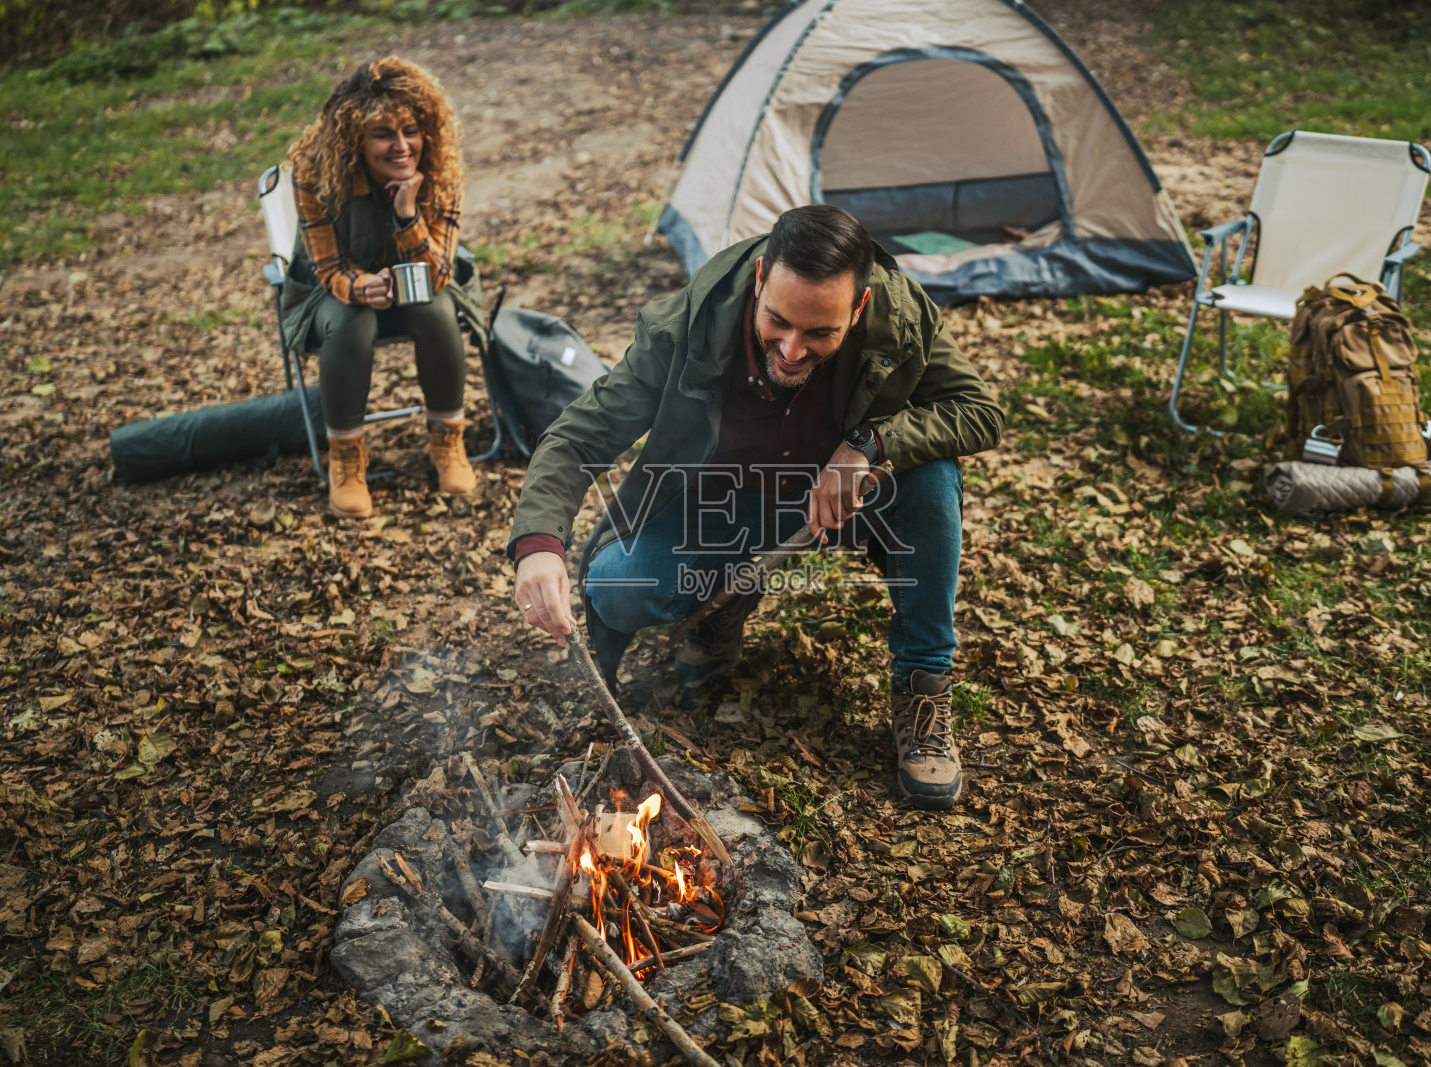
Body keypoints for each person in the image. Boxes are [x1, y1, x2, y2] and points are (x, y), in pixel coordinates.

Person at [508, 205, 1003, 810]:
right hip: (725, 504)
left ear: (860, 308)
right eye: (778, 321)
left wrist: (869, 445)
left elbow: (978, 411)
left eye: (820, 332)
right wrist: (538, 547)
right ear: (762, 276)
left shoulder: (900, 314)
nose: (793, 350)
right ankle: (727, 595)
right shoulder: (686, 325)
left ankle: (924, 687)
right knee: (616, 587)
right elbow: (577, 436)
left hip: (848, 501)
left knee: (932, 475)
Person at [280, 56, 489, 518]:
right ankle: (347, 459)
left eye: (410, 131)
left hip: (419, 281)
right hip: (332, 293)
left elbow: (437, 276)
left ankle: (447, 443)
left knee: (435, 307)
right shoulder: (317, 174)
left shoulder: (439, 172)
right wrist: (360, 288)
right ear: (356, 138)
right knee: (352, 321)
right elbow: (327, 265)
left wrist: (408, 215)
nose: (402, 146)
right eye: (384, 134)